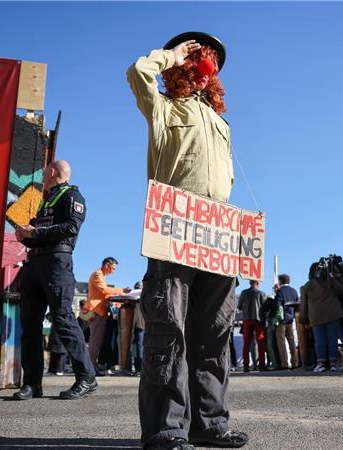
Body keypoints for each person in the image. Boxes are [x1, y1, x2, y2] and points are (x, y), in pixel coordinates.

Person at [128, 32, 248, 449]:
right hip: (174, 231)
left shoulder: (220, 121)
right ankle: (166, 430)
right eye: (193, 57)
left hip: (218, 234)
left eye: (206, 58)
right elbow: (138, 73)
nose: (199, 65)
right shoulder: (163, 108)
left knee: (215, 335)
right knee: (169, 331)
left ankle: (209, 424)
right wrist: (170, 55)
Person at [12, 160, 97, 400]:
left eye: (44, 172)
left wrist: (35, 233)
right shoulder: (43, 199)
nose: (42, 176)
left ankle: (86, 377)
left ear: (51, 172)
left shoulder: (72, 195)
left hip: (57, 262)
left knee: (63, 320)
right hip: (34, 263)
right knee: (30, 325)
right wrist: (25, 235)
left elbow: (71, 227)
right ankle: (32, 384)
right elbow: (36, 233)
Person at [85, 257, 130, 369]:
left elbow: (104, 293)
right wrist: (121, 291)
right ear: (107, 265)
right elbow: (104, 290)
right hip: (95, 310)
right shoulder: (97, 274)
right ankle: (91, 367)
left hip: (94, 310)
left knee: (95, 339)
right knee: (96, 340)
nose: (113, 271)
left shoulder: (100, 275)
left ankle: (91, 365)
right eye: (113, 268)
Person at [300, 261, 343, 373]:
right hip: (333, 313)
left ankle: (321, 364)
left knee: (319, 340)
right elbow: (341, 290)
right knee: (332, 339)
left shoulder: (308, 285)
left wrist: (304, 318)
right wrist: (332, 277)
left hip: (316, 316)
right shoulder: (330, 281)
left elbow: (304, 304)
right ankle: (333, 363)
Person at [238, 280, 268, 372]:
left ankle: (246, 366)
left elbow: (239, 306)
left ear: (250, 283)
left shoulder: (244, 292)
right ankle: (262, 366)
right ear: (258, 283)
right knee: (261, 343)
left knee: (246, 344)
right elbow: (266, 308)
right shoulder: (262, 293)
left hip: (247, 319)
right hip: (259, 320)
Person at [273, 274, 299, 370]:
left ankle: (284, 363)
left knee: (281, 341)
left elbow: (276, 305)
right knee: (291, 341)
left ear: (280, 281)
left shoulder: (280, 291)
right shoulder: (294, 291)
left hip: (281, 320)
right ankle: (295, 362)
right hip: (291, 319)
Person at [259, 293, 284, 370]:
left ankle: (275, 364)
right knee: (270, 346)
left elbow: (280, 317)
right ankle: (273, 363)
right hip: (271, 328)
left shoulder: (276, 307)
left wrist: (270, 321)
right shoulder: (274, 307)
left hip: (272, 328)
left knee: (271, 346)